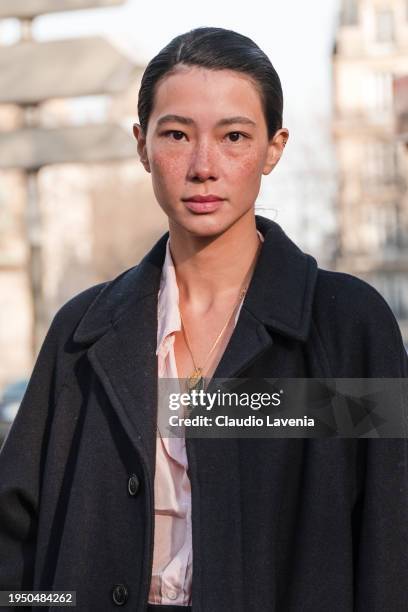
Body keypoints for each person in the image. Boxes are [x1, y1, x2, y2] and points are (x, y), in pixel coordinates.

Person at [0, 26, 407, 612]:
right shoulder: (81, 335)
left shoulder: (347, 328)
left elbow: (390, 544)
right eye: (176, 134)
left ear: (274, 147)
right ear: (142, 145)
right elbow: (17, 539)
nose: (203, 166)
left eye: (234, 136)